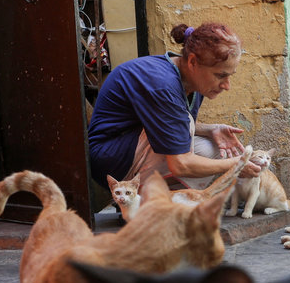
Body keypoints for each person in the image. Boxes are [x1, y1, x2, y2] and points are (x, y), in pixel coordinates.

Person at [87, 22, 261, 193]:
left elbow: (170, 123)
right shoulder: (162, 84)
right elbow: (180, 164)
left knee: (215, 149)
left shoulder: (194, 80)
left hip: (132, 147)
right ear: (193, 61)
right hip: (111, 161)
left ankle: (160, 202)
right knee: (199, 152)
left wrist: (211, 129)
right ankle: (138, 199)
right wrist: (237, 165)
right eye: (221, 75)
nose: (226, 85)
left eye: (229, 76)